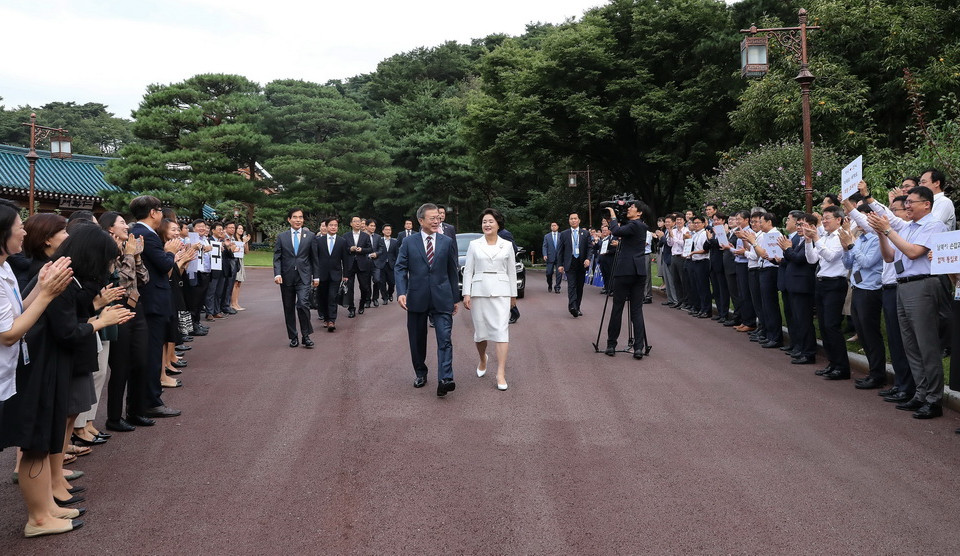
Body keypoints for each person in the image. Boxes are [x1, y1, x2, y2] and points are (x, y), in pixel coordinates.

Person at [0, 199, 78, 538]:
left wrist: (41, 287)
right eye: (18, 224)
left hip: (13, 372)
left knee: (37, 442)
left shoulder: (5, 269)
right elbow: (9, 332)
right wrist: (46, 294)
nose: (23, 230)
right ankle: (39, 517)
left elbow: (19, 312)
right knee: (32, 443)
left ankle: (45, 510)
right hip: (12, 370)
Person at [864, 183, 949, 419]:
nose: (907, 206)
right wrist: (882, 233)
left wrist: (888, 230)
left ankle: (934, 399)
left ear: (926, 204)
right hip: (903, 286)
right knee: (910, 344)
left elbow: (913, 253)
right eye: (907, 202)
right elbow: (890, 256)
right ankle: (921, 393)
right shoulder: (909, 227)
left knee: (926, 344)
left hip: (923, 284)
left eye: (911, 202)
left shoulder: (934, 225)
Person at [395, 203, 460, 397]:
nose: (436, 221)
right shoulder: (409, 242)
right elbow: (400, 268)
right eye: (432, 218)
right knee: (417, 339)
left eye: (438, 218)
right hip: (416, 296)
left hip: (442, 297)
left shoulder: (446, 241)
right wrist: (401, 292)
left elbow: (452, 270)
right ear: (420, 220)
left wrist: (454, 298)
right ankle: (420, 373)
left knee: (445, 339)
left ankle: (445, 379)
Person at [128, 195, 182, 419]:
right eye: (160, 211)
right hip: (153, 302)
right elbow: (164, 264)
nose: (162, 215)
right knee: (150, 354)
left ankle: (147, 401)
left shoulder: (141, 233)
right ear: (153, 213)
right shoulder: (147, 236)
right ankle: (150, 401)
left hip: (150, 301)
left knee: (149, 353)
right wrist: (170, 251)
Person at [99, 211, 150, 431]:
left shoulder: (127, 249)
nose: (126, 227)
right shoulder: (105, 251)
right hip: (117, 310)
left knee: (140, 361)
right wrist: (129, 256)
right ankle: (113, 418)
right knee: (120, 366)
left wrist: (137, 256)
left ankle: (136, 411)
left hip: (136, 308)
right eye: (121, 223)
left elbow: (144, 278)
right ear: (110, 228)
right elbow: (120, 281)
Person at [462, 209, 518, 390]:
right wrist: (466, 293)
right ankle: (482, 359)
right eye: (484, 221)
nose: (487, 224)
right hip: (479, 290)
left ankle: (500, 373)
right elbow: (468, 270)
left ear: (498, 224)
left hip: (501, 291)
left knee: (502, 331)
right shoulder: (474, 244)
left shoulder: (507, 245)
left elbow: (511, 271)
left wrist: (513, 294)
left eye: (491, 221)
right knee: (480, 333)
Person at [804, 206, 850, 379]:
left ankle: (842, 366)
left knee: (832, 325)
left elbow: (831, 256)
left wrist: (815, 238)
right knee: (823, 325)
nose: (824, 221)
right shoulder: (823, 237)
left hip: (835, 283)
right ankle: (832, 363)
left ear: (839, 219)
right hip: (821, 282)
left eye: (828, 218)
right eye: (823, 218)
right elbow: (812, 259)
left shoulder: (841, 237)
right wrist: (809, 242)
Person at [603, 202, 650, 359]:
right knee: (637, 310)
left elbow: (615, 231)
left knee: (617, 307)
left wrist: (613, 215)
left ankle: (611, 344)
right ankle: (638, 347)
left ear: (639, 213)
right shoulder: (640, 226)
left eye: (632, 207)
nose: (629, 209)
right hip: (639, 271)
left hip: (625, 270)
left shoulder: (635, 225)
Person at [273, 207, 319, 348]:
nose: (298, 220)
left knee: (303, 304)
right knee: (288, 308)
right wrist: (277, 274)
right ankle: (293, 337)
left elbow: (314, 258)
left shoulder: (310, 236)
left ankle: (306, 336)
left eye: (300, 217)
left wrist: (316, 277)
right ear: (289, 219)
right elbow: (277, 257)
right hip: (286, 277)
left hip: (304, 277)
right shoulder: (282, 237)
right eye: (295, 217)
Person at [312, 217, 349, 332]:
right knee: (322, 297)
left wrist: (346, 274)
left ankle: (332, 320)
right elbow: (315, 259)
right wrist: (315, 275)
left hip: (335, 274)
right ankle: (326, 318)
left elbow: (345, 259)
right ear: (326, 227)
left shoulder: (342, 241)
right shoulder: (319, 241)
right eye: (331, 225)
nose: (333, 227)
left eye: (335, 225)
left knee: (332, 297)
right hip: (321, 275)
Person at [556, 212, 591, 318]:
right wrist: (560, 264)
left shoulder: (585, 233)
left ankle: (578, 307)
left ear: (579, 220)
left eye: (575, 218)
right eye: (571, 219)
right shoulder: (564, 234)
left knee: (579, 286)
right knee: (571, 285)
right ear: (569, 221)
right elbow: (560, 250)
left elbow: (590, 248)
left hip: (581, 263)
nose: (573, 220)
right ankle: (572, 306)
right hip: (569, 262)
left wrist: (588, 259)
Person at [342, 216, 373, 318]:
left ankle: (362, 304)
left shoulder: (365, 236)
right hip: (350, 264)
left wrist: (362, 250)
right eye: (355, 222)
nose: (357, 223)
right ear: (351, 223)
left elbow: (370, 249)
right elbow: (343, 249)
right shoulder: (345, 236)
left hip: (362, 264)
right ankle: (351, 308)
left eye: (359, 221)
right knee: (349, 288)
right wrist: (350, 249)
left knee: (364, 287)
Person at [231, 223, 250, 311]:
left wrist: (245, 242)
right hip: (235, 260)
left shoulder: (242, 239)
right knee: (235, 282)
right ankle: (233, 303)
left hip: (241, 260)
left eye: (242, 229)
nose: (241, 230)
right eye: (239, 228)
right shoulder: (233, 239)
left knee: (239, 283)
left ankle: (236, 302)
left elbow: (246, 252)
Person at [379, 224, 399, 304]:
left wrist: (397, 264)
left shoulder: (395, 241)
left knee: (392, 282)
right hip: (381, 264)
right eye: (386, 230)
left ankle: (390, 293)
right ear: (383, 231)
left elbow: (397, 254)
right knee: (382, 282)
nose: (388, 231)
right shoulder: (379, 241)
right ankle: (384, 298)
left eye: (389, 230)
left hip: (392, 264)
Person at [542, 222, 562, 293]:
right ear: (551, 227)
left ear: (557, 227)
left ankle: (557, 287)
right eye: (552, 226)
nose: (553, 227)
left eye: (555, 225)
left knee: (559, 273)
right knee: (549, 273)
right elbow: (544, 246)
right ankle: (550, 284)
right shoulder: (547, 236)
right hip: (550, 257)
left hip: (559, 257)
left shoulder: (561, 235)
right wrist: (545, 254)